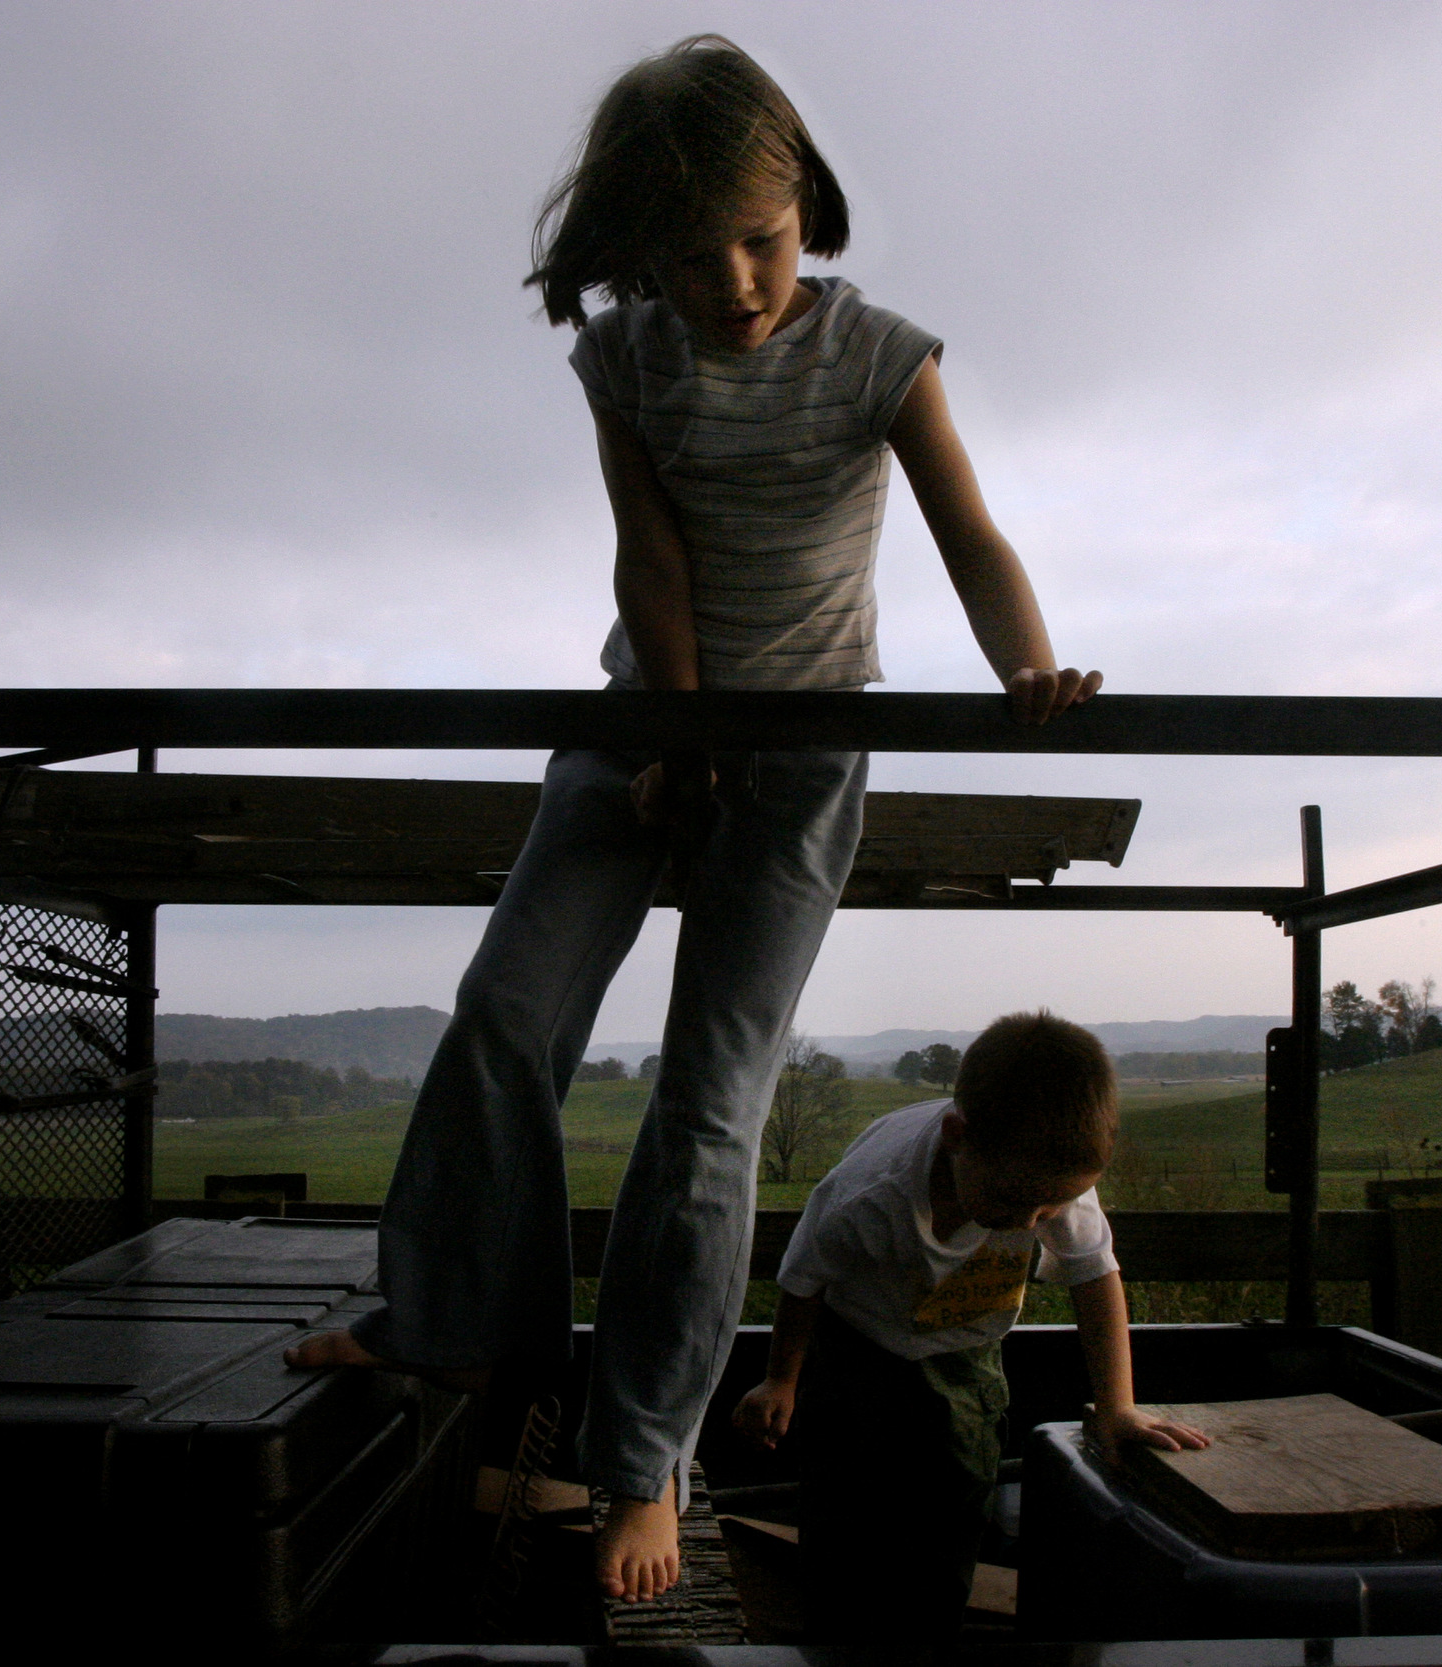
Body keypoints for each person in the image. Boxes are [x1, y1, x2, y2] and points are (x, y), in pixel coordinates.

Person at [286, 36, 1105, 1603]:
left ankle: (641, 1449)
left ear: (809, 203)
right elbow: (647, 560)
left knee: (710, 1101)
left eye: (762, 239)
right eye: (688, 253)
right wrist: (669, 733)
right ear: (629, 253)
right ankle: (460, 1326)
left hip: (803, 752)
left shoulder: (879, 356)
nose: (733, 279)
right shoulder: (628, 362)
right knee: (504, 1007)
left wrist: (1028, 666)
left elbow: (968, 530)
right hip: (643, 722)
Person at [733, 1012, 1209, 1640]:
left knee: (955, 1497)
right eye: (1014, 1203)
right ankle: (834, 1634)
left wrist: (1117, 1407)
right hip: (857, 1347)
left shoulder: (1046, 1177)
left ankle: (931, 1634)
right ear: (957, 1136)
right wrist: (780, 1382)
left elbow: (1096, 1279)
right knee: (846, 1502)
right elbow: (803, 1281)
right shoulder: (868, 1195)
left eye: (1050, 1207)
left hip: (967, 1354)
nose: (1029, 1221)